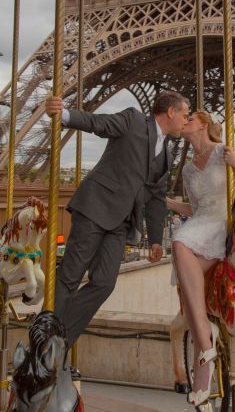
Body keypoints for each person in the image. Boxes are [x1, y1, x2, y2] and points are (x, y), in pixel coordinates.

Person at [45, 91, 189, 347]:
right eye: (185, 114)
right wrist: (64, 114)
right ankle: (50, 344)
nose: (186, 120)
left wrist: (156, 240)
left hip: (121, 222)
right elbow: (98, 124)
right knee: (70, 276)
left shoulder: (166, 154)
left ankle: (56, 336)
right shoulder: (134, 120)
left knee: (104, 282)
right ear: (171, 111)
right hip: (95, 208)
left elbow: (156, 198)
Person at [167, 111, 235, 407]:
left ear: (202, 124)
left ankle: (204, 343)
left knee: (179, 241)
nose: (184, 120)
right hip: (198, 226)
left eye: (190, 117)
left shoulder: (224, 153)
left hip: (218, 225)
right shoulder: (188, 169)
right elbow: (193, 208)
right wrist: (166, 202)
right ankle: (206, 347)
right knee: (190, 290)